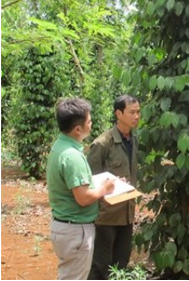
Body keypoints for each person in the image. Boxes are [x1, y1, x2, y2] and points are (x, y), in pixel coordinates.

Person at [47, 98, 115, 280]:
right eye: (89, 122)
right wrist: (105, 188)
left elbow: (73, 184)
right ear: (78, 129)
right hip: (75, 231)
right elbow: (83, 198)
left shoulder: (60, 147)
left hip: (64, 227)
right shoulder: (72, 157)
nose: (91, 125)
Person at [87, 95, 141, 280]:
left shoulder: (134, 141)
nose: (136, 116)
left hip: (126, 214)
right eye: (132, 112)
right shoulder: (103, 143)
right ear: (119, 113)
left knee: (121, 265)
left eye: (138, 112)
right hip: (106, 217)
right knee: (100, 266)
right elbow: (90, 180)